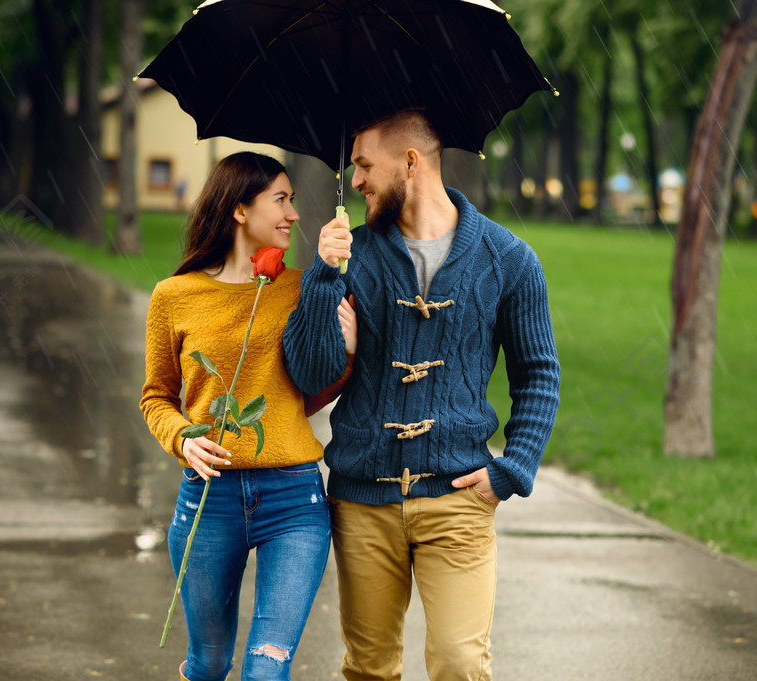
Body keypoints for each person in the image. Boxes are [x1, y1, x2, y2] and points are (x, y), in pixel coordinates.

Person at [282, 111, 561, 681]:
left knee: (460, 665)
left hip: (459, 499)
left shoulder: (509, 260)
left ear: (410, 161)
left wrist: (513, 467)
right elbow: (310, 374)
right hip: (363, 500)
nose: (355, 180)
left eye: (364, 165)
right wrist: (323, 276)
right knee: (369, 669)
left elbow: (538, 374)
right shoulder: (351, 255)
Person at [140, 151, 357, 681]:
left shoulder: (303, 288)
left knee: (266, 669)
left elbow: (304, 392)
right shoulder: (174, 297)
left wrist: (346, 356)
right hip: (208, 500)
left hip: (293, 499)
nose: (294, 214)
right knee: (210, 662)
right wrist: (183, 439)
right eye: (280, 200)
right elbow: (155, 396)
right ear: (240, 210)